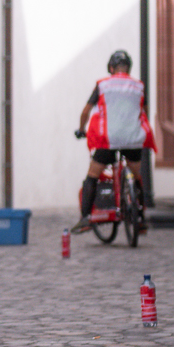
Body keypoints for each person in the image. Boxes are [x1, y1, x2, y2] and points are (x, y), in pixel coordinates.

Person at [72, 49, 156, 231]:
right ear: (129, 68)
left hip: (108, 140)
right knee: (136, 176)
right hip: (133, 139)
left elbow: (86, 112)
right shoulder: (138, 86)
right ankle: (140, 218)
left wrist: (81, 129)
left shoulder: (103, 85)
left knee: (92, 176)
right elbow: (145, 113)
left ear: (111, 67)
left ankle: (85, 217)